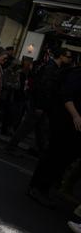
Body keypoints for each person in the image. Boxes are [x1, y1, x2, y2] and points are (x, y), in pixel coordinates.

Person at [29, 64, 81, 208]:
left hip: (71, 127)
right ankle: (37, 189)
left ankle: (44, 189)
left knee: (61, 160)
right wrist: (76, 115)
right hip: (65, 123)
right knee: (53, 157)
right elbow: (67, 95)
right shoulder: (77, 74)